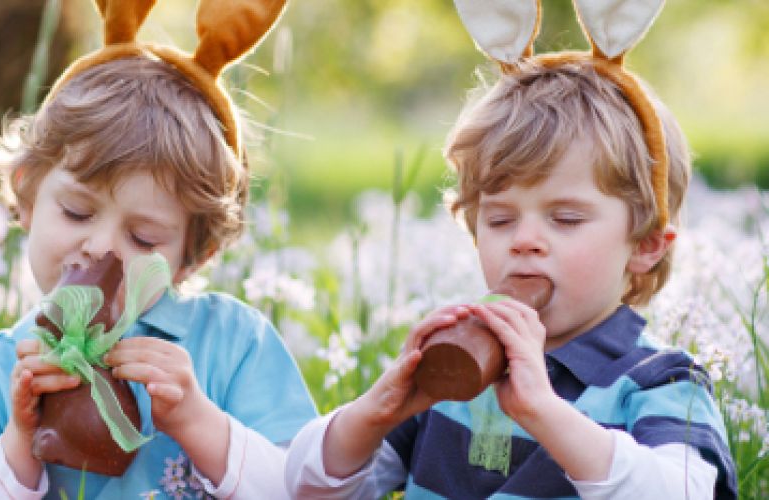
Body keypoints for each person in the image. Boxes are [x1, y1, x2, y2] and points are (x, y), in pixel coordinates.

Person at [284, 1, 736, 498]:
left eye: (565, 219)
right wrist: (375, 412)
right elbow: (308, 489)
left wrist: (545, 413)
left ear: (646, 246)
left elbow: (685, 491)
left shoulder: (659, 383)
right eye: (499, 219)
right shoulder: (452, 379)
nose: (524, 241)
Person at [0, 0, 317, 498]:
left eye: (144, 238)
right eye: (77, 212)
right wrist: (18, 446)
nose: (101, 247)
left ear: (197, 253)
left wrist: (200, 423)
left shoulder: (236, 347)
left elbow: (307, 489)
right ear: (26, 193)